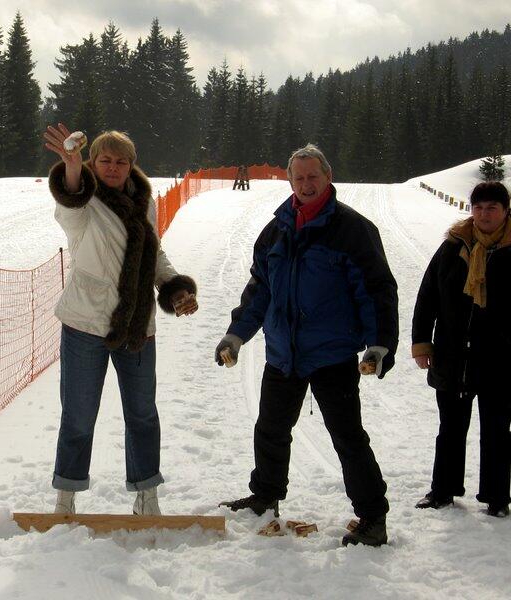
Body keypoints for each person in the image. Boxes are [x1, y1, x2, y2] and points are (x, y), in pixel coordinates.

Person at [214, 143, 398, 547]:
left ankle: (373, 517)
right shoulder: (276, 229)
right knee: (270, 429)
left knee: (347, 437)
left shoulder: (353, 230)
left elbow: (376, 290)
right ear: (290, 181)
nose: (306, 183)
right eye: (299, 177)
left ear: (328, 177)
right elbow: (260, 289)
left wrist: (380, 344)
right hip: (284, 353)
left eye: (313, 176)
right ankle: (265, 496)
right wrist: (236, 334)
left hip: (332, 353)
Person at [43, 124, 198, 516]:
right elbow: (69, 204)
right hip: (85, 323)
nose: (113, 167)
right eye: (105, 160)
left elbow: (153, 253)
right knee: (78, 416)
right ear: (94, 163)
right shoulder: (85, 201)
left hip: (137, 326)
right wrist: (72, 166)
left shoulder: (144, 201)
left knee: (143, 415)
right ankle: (66, 497)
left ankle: (147, 496)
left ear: (131, 165)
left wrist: (174, 288)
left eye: (121, 161)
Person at [411, 181, 511, 518]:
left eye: (492, 208)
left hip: (500, 358)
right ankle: (442, 491)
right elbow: (428, 297)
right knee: (450, 427)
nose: (484, 214)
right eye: (478, 207)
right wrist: (422, 343)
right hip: (453, 354)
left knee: (497, 429)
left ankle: (497, 497)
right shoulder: (454, 247)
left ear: (505, 211)